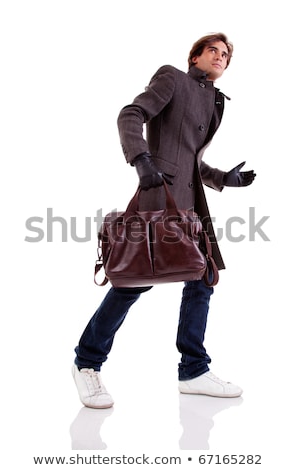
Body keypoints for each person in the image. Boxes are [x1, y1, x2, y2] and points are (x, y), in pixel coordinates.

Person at [72, 32, 256, 408]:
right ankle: (86, 362)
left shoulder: (213, 101)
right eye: (214, 51)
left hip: (192, 207)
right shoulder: (172, 77)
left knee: (202, 280)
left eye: (226, 55)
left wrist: (225, 179)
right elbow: (131, 114)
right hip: (159, 197)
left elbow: (191, 160)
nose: (220, 58)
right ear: (196, 55)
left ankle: (193, 370)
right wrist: (141, 159)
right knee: (133, 283)